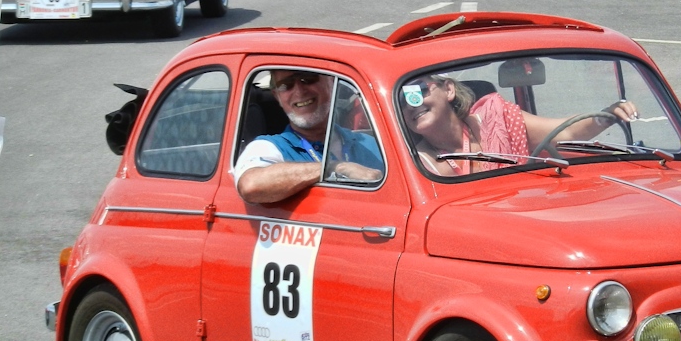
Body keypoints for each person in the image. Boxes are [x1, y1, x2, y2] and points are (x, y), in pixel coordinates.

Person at [400, 75, 638, 177]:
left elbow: (566, 131)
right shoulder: (419, 164)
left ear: (448, 89)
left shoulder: (498, 118)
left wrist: (606, 115)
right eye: (401, 100)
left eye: (417, 91)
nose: (411, 104)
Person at [235, 70, 384, 203]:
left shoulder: (371, 144)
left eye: (308, 79)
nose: (299, 92)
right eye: (286, 85)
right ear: (277, 96)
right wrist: (335, 167)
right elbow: (250, 185)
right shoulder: (269, 147)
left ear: (331, 81)